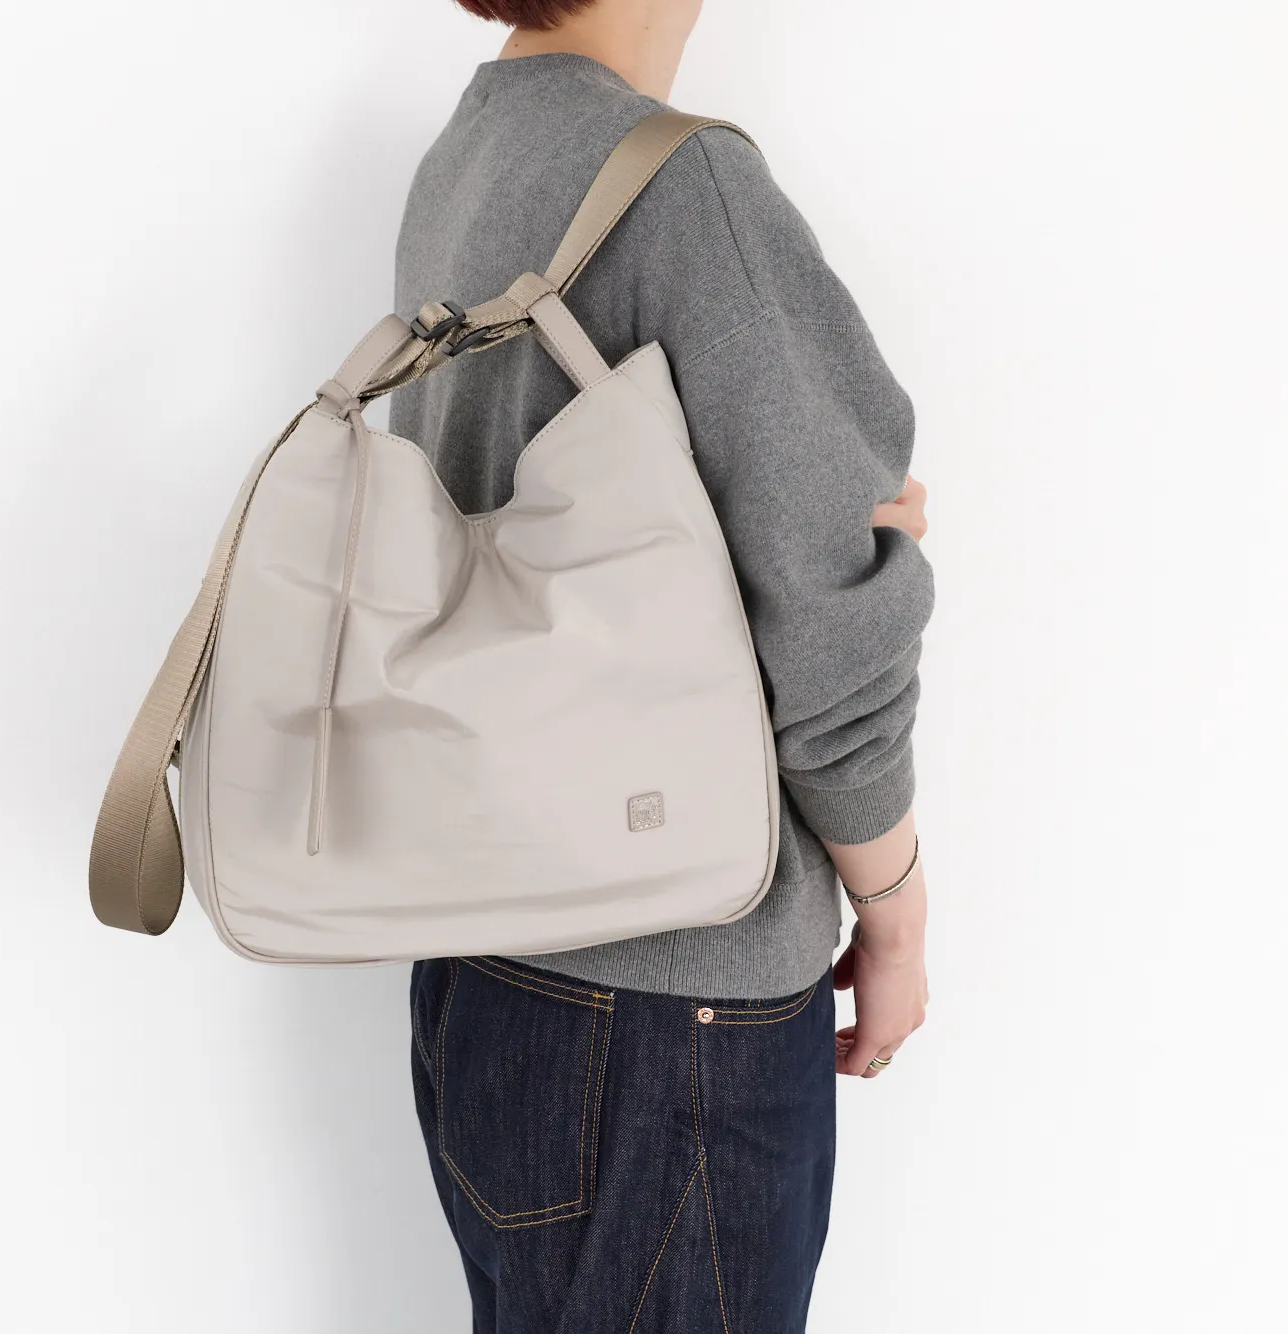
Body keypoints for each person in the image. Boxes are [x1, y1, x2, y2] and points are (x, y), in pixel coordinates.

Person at [395, 1, 934, 1328]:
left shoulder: (470, 153)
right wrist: (897, 915)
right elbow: (827, 632)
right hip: (668, 1003)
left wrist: (818, 511)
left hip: (487, 968)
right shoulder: (681, 182)